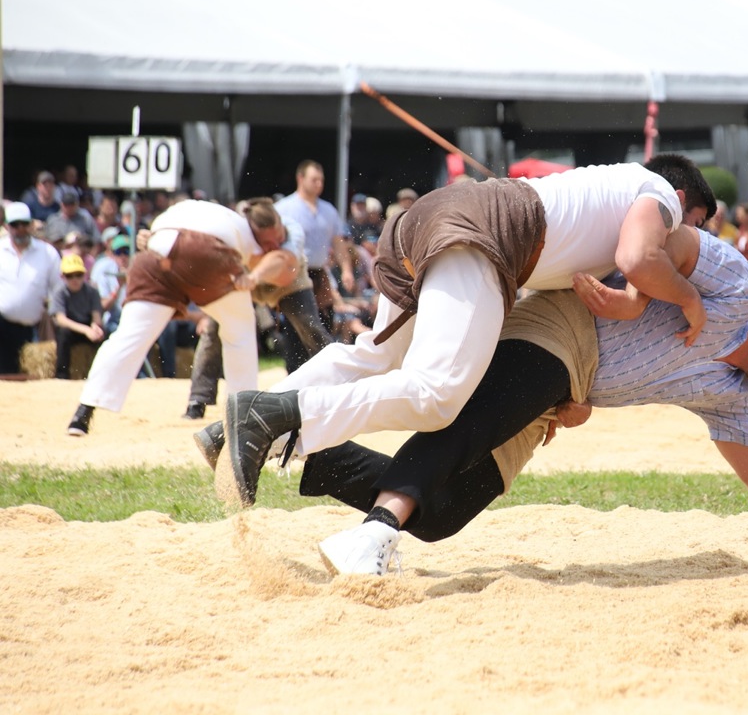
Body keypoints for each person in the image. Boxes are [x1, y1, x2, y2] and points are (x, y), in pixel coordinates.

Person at [200, 227, 748, 574]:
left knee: (443, 514)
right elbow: (667, 239)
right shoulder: (738, 285)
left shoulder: (733, 399)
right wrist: (642, 284)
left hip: (568, 386)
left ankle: (298, 449)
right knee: (453, 420)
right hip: (561, 324)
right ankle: (370, 530)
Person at [213, 154, 717, 507]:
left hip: (432, 218)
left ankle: (229, 433)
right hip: (477, 235)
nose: (685, 239)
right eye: (691, 224)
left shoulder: (609, 201)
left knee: (374, 356)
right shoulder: (657, 195)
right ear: (680, 199)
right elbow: (640, 257)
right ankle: (269, 418)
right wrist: (690, 299)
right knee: (437, 395)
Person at [66, 198, 286, 436]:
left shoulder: (209, 211)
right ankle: (242, 417)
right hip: (205, 254)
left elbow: (155, 235)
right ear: (262, 229)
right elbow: (280, 259)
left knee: (128, 336)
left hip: (156, 252)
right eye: (273, 239)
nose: (274, 244)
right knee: (240, 331)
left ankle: (83, 413)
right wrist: (252, 277)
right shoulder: (246, 231)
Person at [183, 211, 332, 419]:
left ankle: (339, 383)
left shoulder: (293, 229)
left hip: (287, 281)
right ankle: (197, 400)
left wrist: (255, 275)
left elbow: (282, 259)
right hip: (241, 281)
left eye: (277, 239)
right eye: (266, 242)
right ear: (252, 236)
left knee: (311, 328)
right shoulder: (237, 233)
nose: (273, 244)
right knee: (214, 328)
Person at [273, 160, 358, 336]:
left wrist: (346, 270)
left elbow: (338, 243)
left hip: (320, 274)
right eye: (314, 179)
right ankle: (294, 364)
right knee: (295, 326)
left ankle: (321, 362)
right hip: (294, 275)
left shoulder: (329, 210)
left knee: (324, 324)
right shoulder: (283, 208)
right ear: (300, 178)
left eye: (321, 180)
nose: (319, 184)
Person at [0, 202, 62, 375]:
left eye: (24, 224)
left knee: (31, 378)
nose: (20, 229)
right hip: (2, 325)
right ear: (6, 226)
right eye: (15, 224)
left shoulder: (48, 253)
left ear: (31, 225)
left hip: (33, 328)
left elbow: (58, 289)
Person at [50, 253, 105, 379]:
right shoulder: (59, 292)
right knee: (63, 334)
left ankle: (104, 374)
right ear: (62, 277)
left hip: (87, 325)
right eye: (70, 276)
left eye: (78, 275)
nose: (75, 279)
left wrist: (96, 327)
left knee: (105, 335)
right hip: (71, 328)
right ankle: (61, 376)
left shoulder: (92, 291)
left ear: (84, 275)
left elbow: (96, 316)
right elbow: (61, 320)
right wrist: (86, 330)